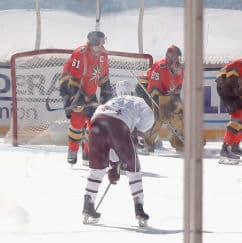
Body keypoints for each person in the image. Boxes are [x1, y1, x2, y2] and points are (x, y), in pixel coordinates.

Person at [81, 80, 155, 226]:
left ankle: (88, 204)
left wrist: (113, 166)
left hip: (96, 125)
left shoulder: (111, 101)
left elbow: (108, 140)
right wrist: (139, 134)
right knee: (134, 171)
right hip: (119, 125)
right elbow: (149, 116)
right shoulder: (138, 100)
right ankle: (139, 208)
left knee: (96, 171)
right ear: (132, 91)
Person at [59, 30, 113, 165]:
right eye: (101, 40)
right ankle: (72, 151)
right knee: (77, 121)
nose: (103, 43)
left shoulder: (103, 54)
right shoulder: (81, 52)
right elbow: (74, 78)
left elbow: (104, 76)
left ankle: (87, 152)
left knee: (94, 123)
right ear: (95, 41)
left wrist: (106, 95)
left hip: (90, 92)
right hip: (73, 89)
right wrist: (75, 99)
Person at [139, 44, 184, 153]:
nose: (177, 59)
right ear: (169, 55)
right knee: (159, 118)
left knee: (179, 114)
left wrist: (175, 94)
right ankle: (147, 143)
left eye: (178, 57)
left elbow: (178, 86)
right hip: (154, 92)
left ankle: (178, 142)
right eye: (175, 56)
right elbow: (154, 85)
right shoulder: (160, 66)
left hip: (168, 94)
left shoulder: (179, 68)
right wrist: (163, 102)